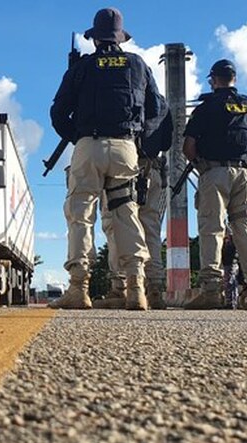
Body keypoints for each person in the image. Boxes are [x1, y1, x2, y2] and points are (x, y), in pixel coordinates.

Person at [48, 7, 164, 310]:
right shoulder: (138, 65)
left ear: (95, 38)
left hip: (89, 145)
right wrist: (139, 137)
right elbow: (157, 108)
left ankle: (78, 287)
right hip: (126, 147)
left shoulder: (83, 68)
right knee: (126, 213)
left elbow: (58, 112)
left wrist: (79, 136)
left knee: (80, 214)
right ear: (120, 38)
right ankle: (135, 288)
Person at [182, 59, 247, 310]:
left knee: (212, 227)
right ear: (235, 79)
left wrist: (202, 166)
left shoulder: (206, 107)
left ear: (214, 80)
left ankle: (210, 290)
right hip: (245, 174)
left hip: (215, 171)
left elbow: (188, 147)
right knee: (244, 227)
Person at [94, 106, 173, 309]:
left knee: (116, 224)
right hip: (153, 169)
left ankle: (120, 287)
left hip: (123, 168)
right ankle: (155, 288)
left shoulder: (118, 96)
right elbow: (167, 142)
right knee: (151, 228)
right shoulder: (162, 105)